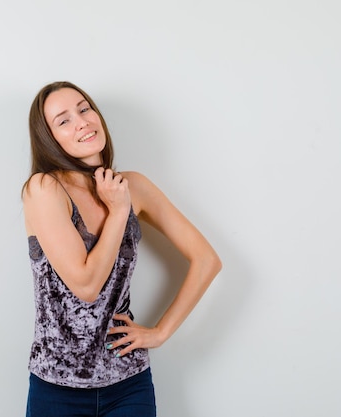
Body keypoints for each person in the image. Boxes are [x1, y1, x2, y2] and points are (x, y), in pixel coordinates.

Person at [22, 81, 222, 417]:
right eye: (64, 120)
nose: (82, 121)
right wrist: (118, 211)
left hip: (129, 383)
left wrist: (160, 333)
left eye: (84, 108)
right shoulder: (44, 189)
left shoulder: (134, 186)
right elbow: (86, 286)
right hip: (57, 389)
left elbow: (207, 260)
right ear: (49, 139)